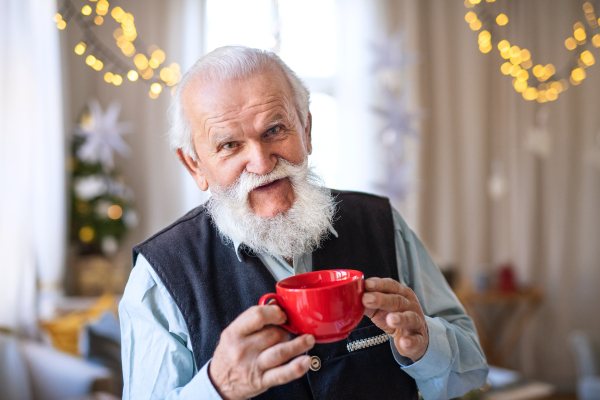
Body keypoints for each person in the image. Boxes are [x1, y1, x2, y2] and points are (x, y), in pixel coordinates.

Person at [119, 45, 489, 400]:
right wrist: (219, 386)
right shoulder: (159, 275)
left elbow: (470, 372)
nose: (262, 163)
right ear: (195, 165)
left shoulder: (380, 224)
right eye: (230, 145)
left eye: (275, 130)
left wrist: (425, 342)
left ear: (306, 130)